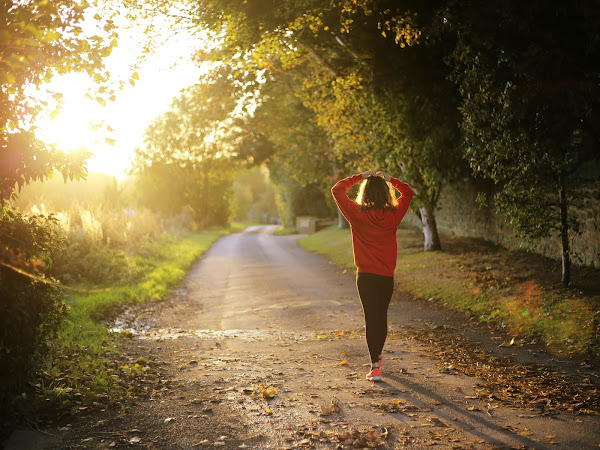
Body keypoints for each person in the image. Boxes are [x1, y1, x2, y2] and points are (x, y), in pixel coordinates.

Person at [331, 170, 414, 381]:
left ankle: (375, 366)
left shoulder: (357, 214)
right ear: (386, 193)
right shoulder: (394, 214)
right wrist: (391, 180)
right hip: (386, 276)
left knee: (371, 318)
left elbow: (337, 189)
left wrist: (360, 176)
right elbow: (408, 192)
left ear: (365, 193)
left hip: (366, 276)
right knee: (381, 316)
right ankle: (377, 357)